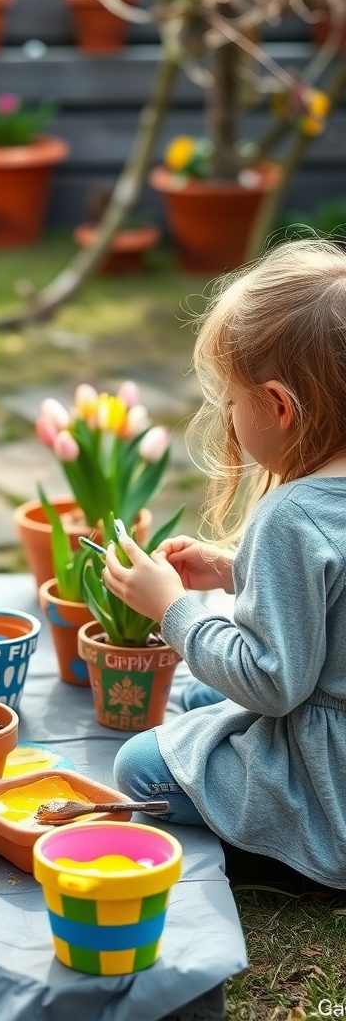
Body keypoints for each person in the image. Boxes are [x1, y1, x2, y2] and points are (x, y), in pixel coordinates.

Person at [103, 238, 346, 889]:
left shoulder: (293, 514)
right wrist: (236, 569)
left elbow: (273, 685)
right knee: (202, 694)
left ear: (278, 405)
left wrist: (173, 610)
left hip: (334, 791)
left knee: (141, 766)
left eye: (232, 402)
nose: (228, 418)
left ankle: (290, 850)